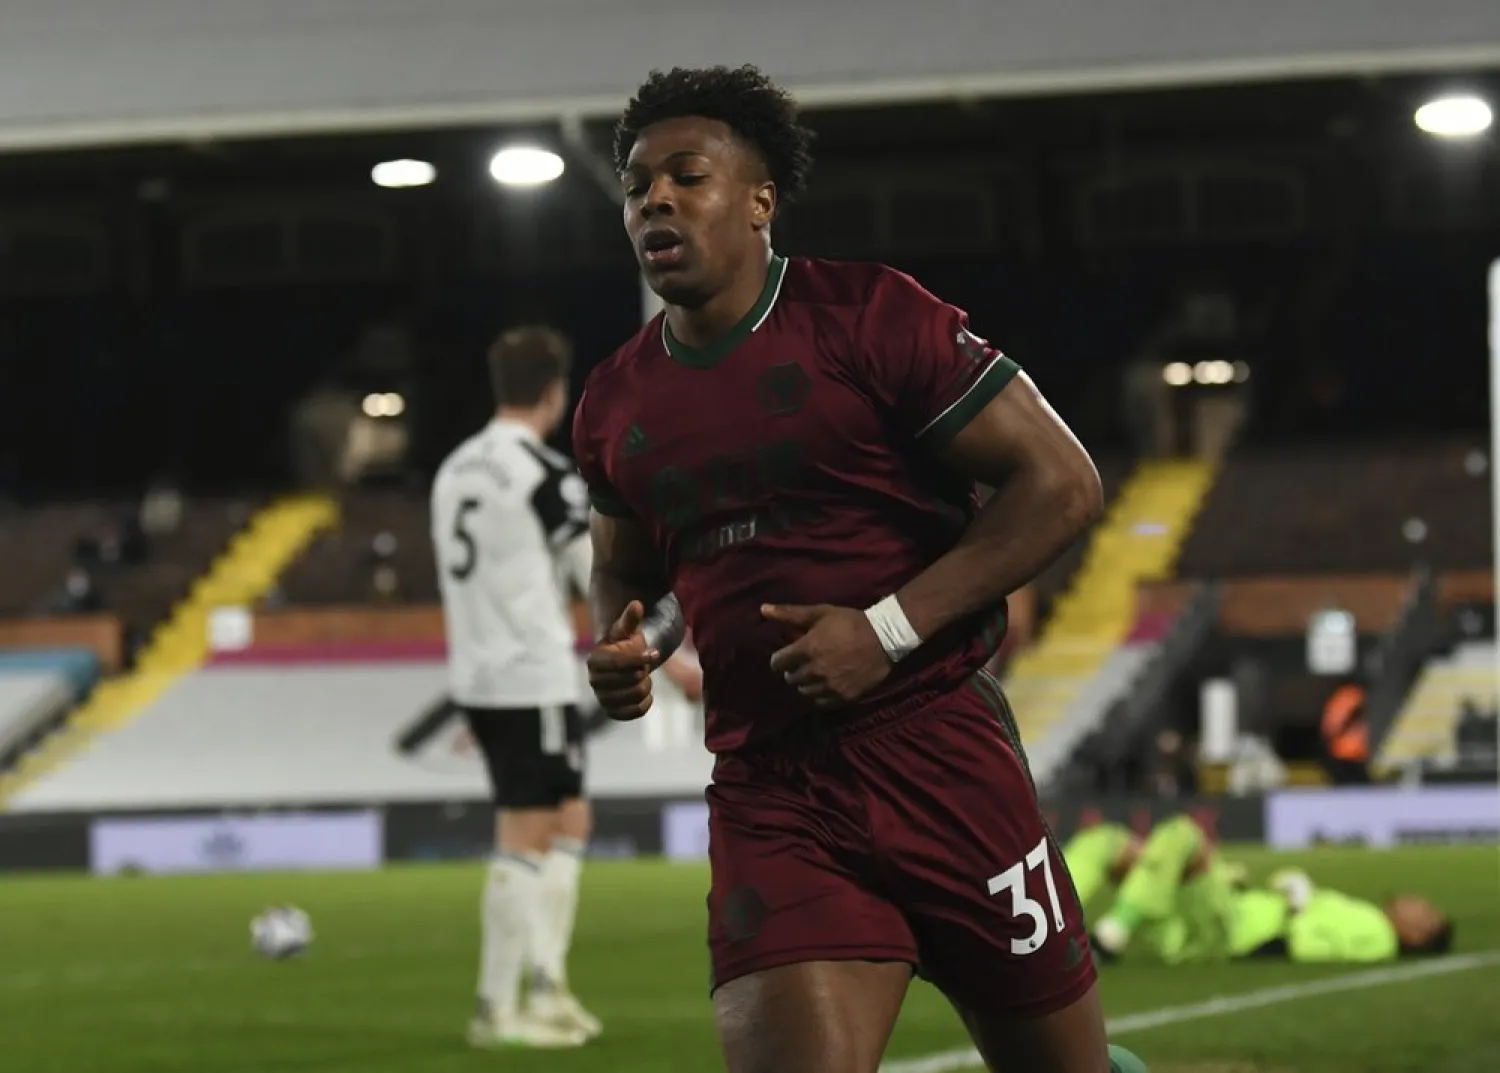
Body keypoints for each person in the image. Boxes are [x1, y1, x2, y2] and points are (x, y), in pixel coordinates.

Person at [573, 65, 1148, 1073]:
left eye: (686, 175)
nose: (654, 198)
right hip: (771, 788)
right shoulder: (614, 404)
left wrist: (882, 628)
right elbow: (634, 572)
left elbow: (1061, 483)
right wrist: (631, 640)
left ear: (760, 200)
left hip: (937, 750)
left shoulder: (870, 316)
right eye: (636, 185)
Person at [431, 326, 601, 1048]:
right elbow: (593, 578)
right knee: (528, 832)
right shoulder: (541, 471)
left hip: (478, 670)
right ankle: (497, 1006)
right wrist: (672, 658)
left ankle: (547, 983)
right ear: (554, 391)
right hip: (530, 675)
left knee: (569, 821)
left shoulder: (454, 468)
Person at [1067, 818, 1455, 965]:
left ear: (1416, 935)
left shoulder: (1377, 936)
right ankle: (1051, 925)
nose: (1420, 903)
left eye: (1428, 913)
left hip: (1224, 931)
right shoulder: (1371, 921)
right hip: (1206, 917)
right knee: (1108, 842)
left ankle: (1111, 931)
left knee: (1184, 834)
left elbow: (1302, 945)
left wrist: (1298, 904)